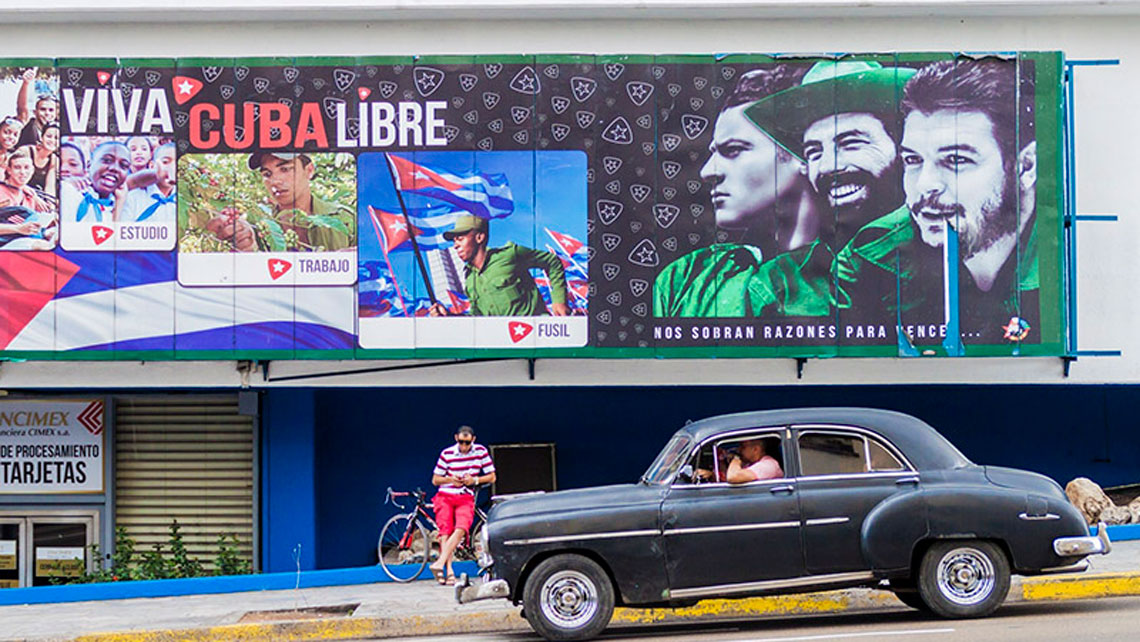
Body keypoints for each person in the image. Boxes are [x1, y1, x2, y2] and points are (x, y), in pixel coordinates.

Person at [835, 59, 1038, 343]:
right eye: (913, 160)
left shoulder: (1062, 259)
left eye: (956, 160)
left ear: (1025, 167)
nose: (924, 185)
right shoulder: (869, 256)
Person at [741, 60, 915, 317]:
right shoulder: (779, 283)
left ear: (903, 149)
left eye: (851, 142)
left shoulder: (957, 257)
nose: (827, 167)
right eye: (814, 152)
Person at [654, 65, 818, 318]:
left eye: (733, 150)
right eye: (713, 152)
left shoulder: (854, 271)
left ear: (802, 154)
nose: (707, 172)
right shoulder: (683, 279)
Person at [204, 152, 354, 252]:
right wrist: (245, 244)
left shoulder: (344, 219)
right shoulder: (258, 224)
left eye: (285, 169)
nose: (275, 181)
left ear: (309, 170)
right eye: (267, 174)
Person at [430, 215, 570, 317]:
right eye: (454, 241)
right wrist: (448, 316)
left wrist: (559, 300)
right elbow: (477, 318)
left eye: (460, 239)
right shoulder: (470, 280)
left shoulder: (510, 255)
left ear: (479, 238)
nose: (455, 246)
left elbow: (552, 262)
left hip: (534, 338)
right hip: (503, 346)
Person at [430, 425, 495, 585]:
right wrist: (450, 479)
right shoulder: (447, 453)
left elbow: (492, 476)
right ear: (456, 439)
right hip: (446, 495)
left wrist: (475, 480)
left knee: (462, 528)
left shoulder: (480, 452)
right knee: (445, 531)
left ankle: (440, 563)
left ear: (473, 440)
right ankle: (449, 571)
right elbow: (435, 480)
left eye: (467, 442)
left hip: (465, 495)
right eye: (461, 442)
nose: (464, 446)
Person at [60, 140, 130, 223]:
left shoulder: (123, 205)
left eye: (124, 165)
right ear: (89, 166)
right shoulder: (68, 191)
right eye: (107, 160)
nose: (115, 168)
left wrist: (119, 203)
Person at [121, 143, 176, 223]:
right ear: (152, 166)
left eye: (177, 163)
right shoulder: (132, 198)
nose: (172, 168)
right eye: (165, 162)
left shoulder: (186, 199)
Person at [24, 123, 59, 193]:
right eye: (49, 136)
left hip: (36, 195)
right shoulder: (26, 151)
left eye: (56, 138)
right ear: (41, 137)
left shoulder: (54, 160)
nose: (52, 140)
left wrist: (50, 203)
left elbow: (49, 187)